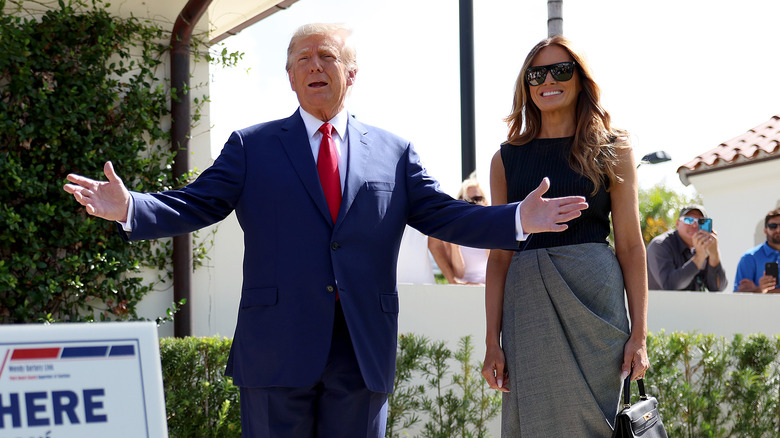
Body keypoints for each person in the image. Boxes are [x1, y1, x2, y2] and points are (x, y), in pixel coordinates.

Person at [63, 24, 589, 438]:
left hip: (360, 351)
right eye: (302, 60)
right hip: (276, 349)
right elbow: (197, 203)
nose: (315, 66)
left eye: (328, 57)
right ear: (289, 77)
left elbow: (444, 215)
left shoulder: (394, 151)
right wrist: (131, 206)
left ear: (351, 74)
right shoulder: (251, 146)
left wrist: (518, 217)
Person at [480, 36, 649, 437]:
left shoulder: (613, 148)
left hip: (597, 310)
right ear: (526, 84)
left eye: (561, 69)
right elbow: (499, 256)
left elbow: (629, 244)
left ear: (580, 79)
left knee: (602, 421)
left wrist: (639, 334)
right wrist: (492, 341)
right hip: (529, 308)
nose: (548, 80)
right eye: (536, 73)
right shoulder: (504, 160)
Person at [646, 205, 727, 291]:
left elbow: (718, 288)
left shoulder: (703, 247)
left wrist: (714, 254)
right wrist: (699, 258)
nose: (694, 225)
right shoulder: (660, 245)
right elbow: (669, 285)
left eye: (700, 221)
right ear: (677, 224)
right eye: (688, 220)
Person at [446, 175, 490, 284]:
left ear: (485, 202)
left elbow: (495, 266)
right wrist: (455, 245)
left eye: (477, 199)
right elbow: (459, 274)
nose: (472, 204)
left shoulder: (491, 228)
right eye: (466, 200)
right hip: (464, 291)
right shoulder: (452, 232)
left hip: (487, 288)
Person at [734, 208, 780, 293]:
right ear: (765, 230)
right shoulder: (749, 258)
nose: (778, 230)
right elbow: (738, 295)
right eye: (773, 226)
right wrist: (759, 289)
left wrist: (761, 291)